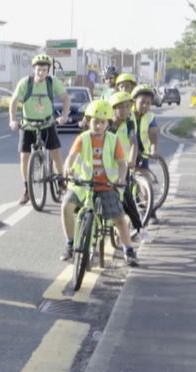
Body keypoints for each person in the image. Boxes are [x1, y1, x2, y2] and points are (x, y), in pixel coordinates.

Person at [60, 100, 139, 267]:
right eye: (95, 121)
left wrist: (121, 179)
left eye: (102, 122)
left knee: (119, 218)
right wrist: (68, 169)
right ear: (88, 121)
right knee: (66, 205)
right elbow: (71, 157)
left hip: (107, 185)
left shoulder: (113, 140)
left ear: (107, 123)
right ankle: (69, 243)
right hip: (83, 184)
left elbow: (122, 163)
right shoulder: (82, 138)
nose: (98, 126)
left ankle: (128, 249)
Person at [8, 53, 71, 205]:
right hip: (28, 124)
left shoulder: (52, 82)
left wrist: (63, 115)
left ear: (48, 70)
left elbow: (65, 98)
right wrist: (12, 120)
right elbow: (14, 101)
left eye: (44, 69)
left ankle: (61, 180)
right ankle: (27, 190)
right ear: (34, 69)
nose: (41, 72)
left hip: (47, 123)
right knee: (24, 156)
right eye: (38, 69)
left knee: (55, 152)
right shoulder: (25, 83)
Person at [108, 91, 151, 242]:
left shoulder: (129, 124)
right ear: (113, 109)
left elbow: (134, 143)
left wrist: (131, 161)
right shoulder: (107, 125)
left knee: (126, 197)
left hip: (122, 166)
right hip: (106, 166)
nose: (126, 110)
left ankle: (140, 229)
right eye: (122, 107)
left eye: (128, 107)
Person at [130, 84, 160, 220]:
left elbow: (153, 134)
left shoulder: (150, 117)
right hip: (126, 151)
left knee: (144, 182)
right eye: (142, 102)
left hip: (143, 152)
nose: (145, 106)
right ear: (134, 101)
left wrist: (154, 149)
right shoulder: (126, 113)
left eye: (148, 103)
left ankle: (150, 210)